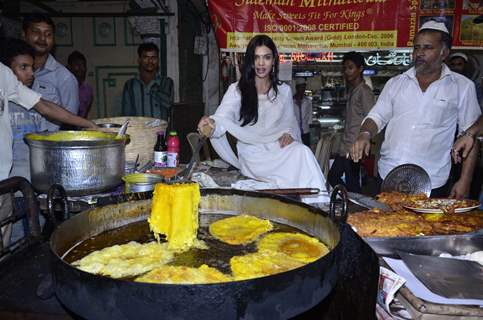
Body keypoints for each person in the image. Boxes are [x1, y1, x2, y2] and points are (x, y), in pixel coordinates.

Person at [350, 20, 481, 199]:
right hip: (389, 176)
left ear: (444, 53)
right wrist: (365, 133)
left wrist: (465, 181)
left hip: (432, 182)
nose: (419, 53)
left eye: (427, 47)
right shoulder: (396, 83)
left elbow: (470, 138)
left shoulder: (462, 87)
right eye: (416, 47)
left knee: (425, 228)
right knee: (384, 226)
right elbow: (377, 116)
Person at [197, 35, 328, 204]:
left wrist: (289, 134)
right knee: (297, 164)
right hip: (253, 155)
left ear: (274, 60)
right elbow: (223, 118)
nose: (261, 63)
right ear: (250, 61)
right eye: (256, 57)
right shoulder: (237, 90)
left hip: (278, 149)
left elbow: (290, 123)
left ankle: (319, 205)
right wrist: (211, 124)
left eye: (266, 57)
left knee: (302, 152)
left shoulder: (284, 91)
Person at [0, 43, 98, 247]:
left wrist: (90, 125)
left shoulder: (5, 78)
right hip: (14, 183)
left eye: (31, 68)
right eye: (24, 68)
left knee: (11, 249)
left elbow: (44, 106)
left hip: (12, 184)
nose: (31, 74)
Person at [23, 13, 79, 132]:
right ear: (24, 35)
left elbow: (70, 122)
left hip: (48, 147)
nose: (42, 38)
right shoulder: (10, 72)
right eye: (36, 32)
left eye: (48, 34)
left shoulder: (64, 77)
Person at [328, 52, 375, 193]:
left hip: (355, 147)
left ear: (360, 69)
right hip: (346, 145)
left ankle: (356, 207)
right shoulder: (353, 91)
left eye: (350, 67)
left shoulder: (364, 92)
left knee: (349, 181)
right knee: (334, 177)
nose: (347, 71)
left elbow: (371, 118)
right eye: (345, 68)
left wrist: (365, 140)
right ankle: (351, 201)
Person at [121, 42, 174, 120]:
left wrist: (153, 88)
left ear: (158, 60)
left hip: (161, 130)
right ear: (139, 60)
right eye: (146, 57)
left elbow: (169, 105)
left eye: (154, 57)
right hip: (139, 130)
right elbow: (126, 115)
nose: (150, 61)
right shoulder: (130, 85)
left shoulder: (167, 82)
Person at [67, 50, 93, 119]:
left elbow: (84, 114)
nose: (82, 69)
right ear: (69, 67)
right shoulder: (63, 87)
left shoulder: (87, 90)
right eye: (77, 65)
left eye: (83, 65)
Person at [292, 79, 312, 146]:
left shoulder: (308, 101)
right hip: (294, 131)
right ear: (297, 88)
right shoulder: (291, 101)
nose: (303, 90)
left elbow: (310, 115)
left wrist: (309, 124)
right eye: (301, 87)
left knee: (306, 148)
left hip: (305, 130)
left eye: (304, 87)